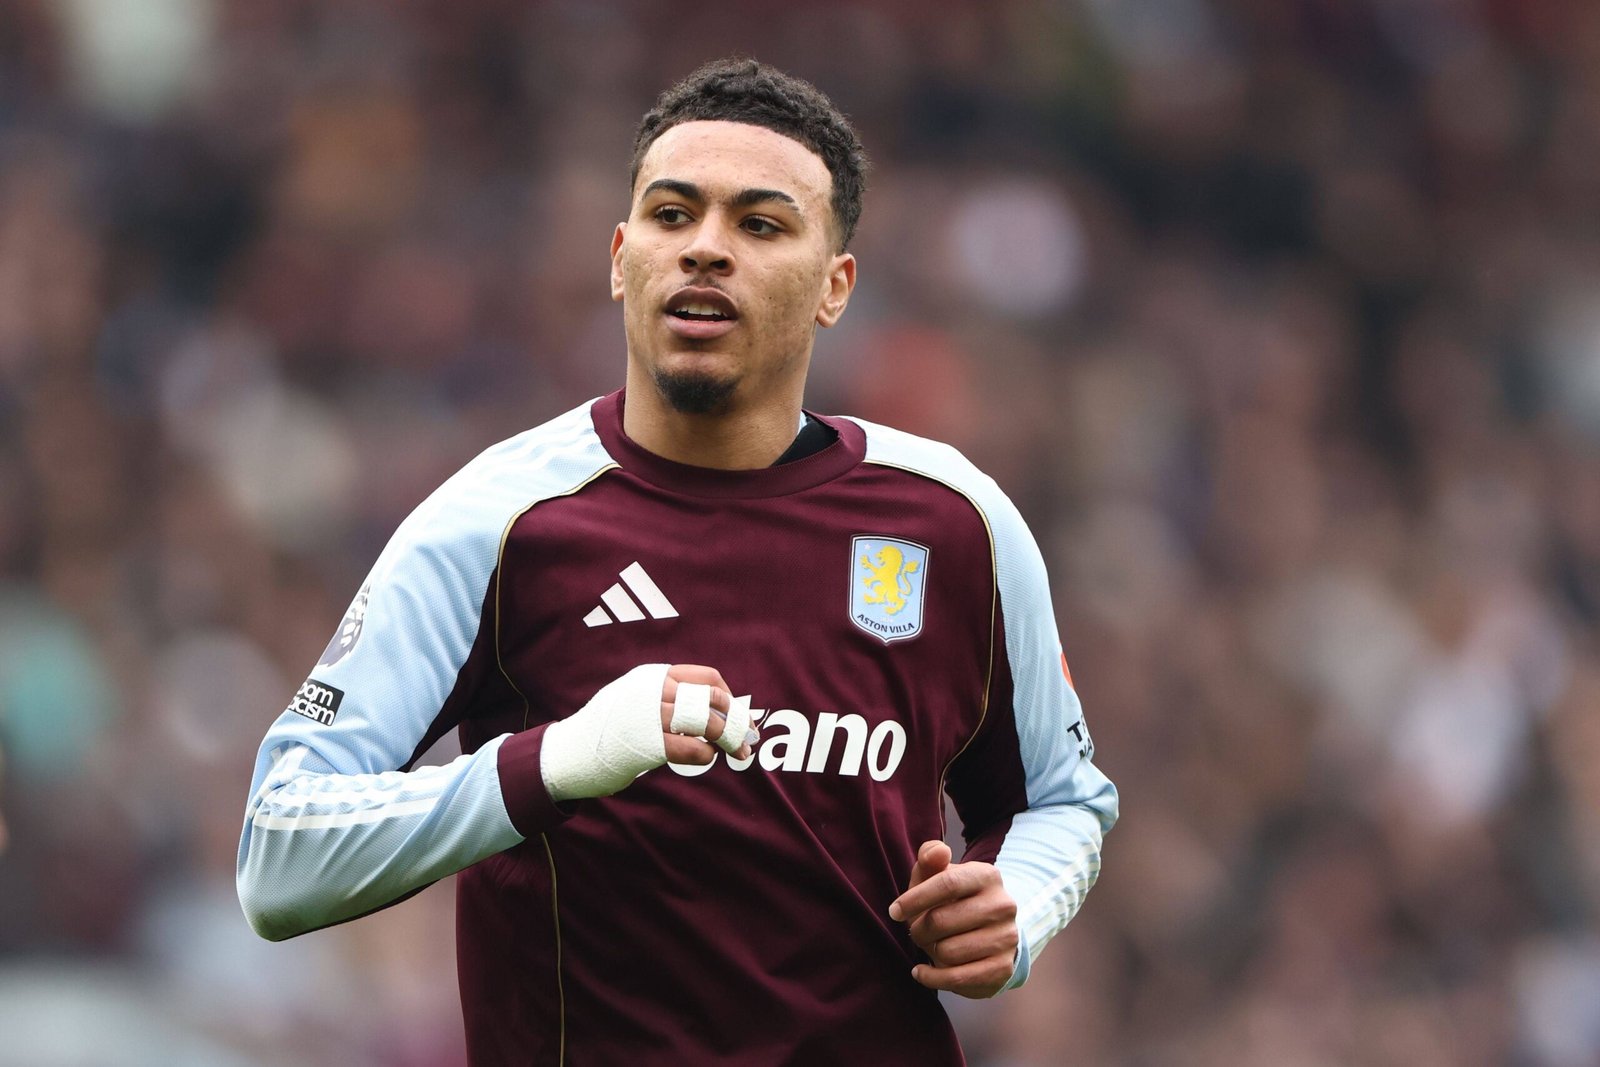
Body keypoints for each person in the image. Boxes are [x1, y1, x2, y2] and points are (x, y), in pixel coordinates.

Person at [237, 57, 1118, 1065]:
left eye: (761, 224)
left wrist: (1013, 903)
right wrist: (552, 762)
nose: (705, 246)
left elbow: (1061, 798)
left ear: (835, 287)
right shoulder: (496, 521)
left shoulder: (954, 521)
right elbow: (280, 853)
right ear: (621, 259)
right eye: (671, 214)